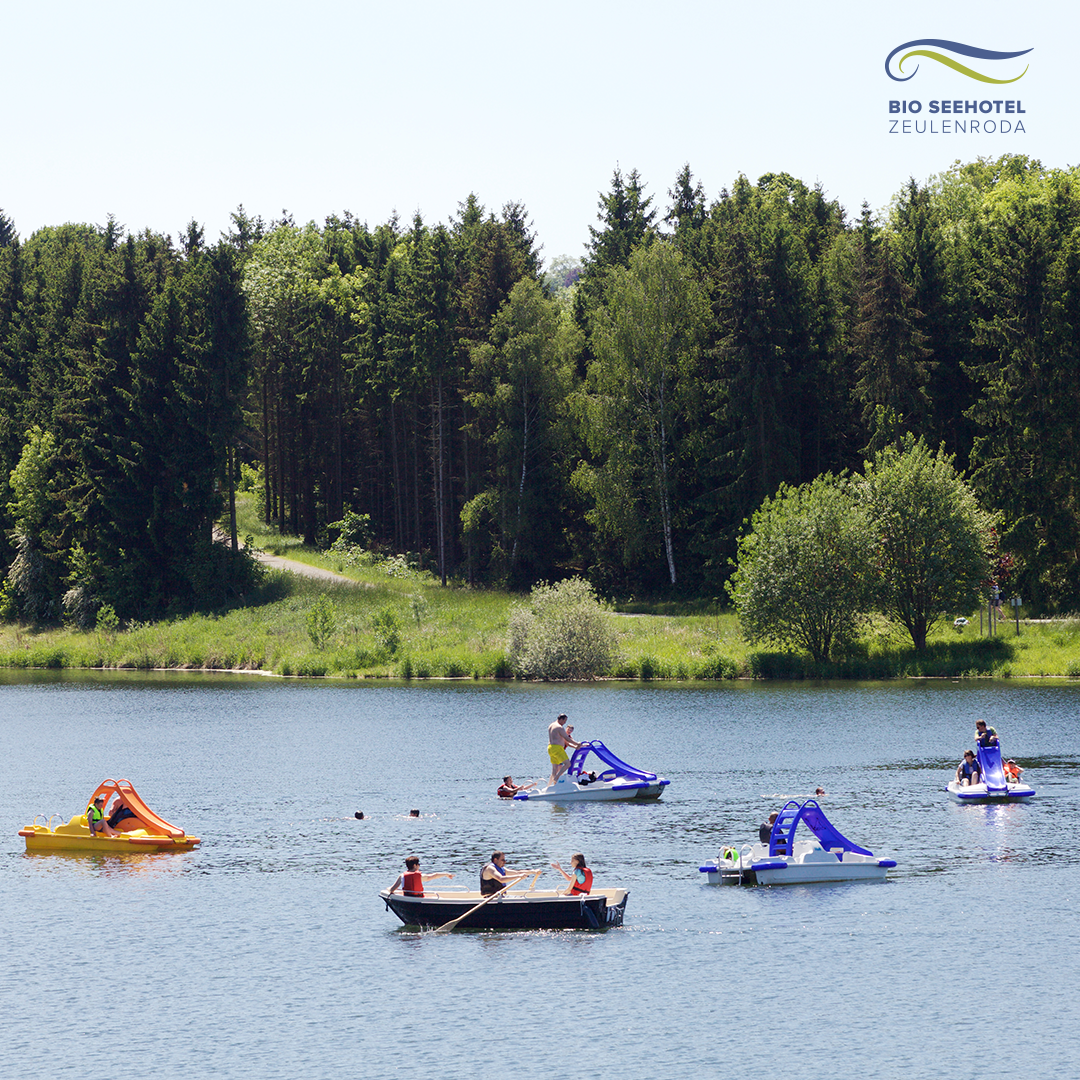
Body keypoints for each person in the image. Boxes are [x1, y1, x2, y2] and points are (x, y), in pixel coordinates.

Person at [388, 855, 453, 897]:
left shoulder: (402, 876)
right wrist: (446, 874)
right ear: (414, 865)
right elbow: (434, 875)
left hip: (408, 898)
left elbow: (392, 889)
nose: (419, 865)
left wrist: (388, 889)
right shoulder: (420, 876)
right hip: (419, 898)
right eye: (418, 864)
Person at [547, 713, 582, 787]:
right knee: (568, 764)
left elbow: (566, 741)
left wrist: (575, 746)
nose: (564, 723)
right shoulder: (559, 727)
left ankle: (551, 786)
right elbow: (567, 738)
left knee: (554, 769)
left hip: (550, 748)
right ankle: (556, 778)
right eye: (564, 721)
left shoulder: (551, 725)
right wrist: (577, 744)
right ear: (561, 719)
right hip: (557, 748)